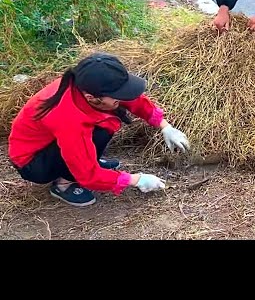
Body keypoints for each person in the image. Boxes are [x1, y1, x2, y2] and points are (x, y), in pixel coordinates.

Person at [8, 53, 190, 207]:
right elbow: (88, 175)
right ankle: (63, 184)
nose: (121, 98)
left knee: (106, 122)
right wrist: (136, 179)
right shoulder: (68, 118)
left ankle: (91, 160)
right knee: (95, 141)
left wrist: (165, 126)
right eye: (116, 96)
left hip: (53, 143)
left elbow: (133, 99)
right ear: (91, 97)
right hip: (33, 162)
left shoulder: (89, 85)